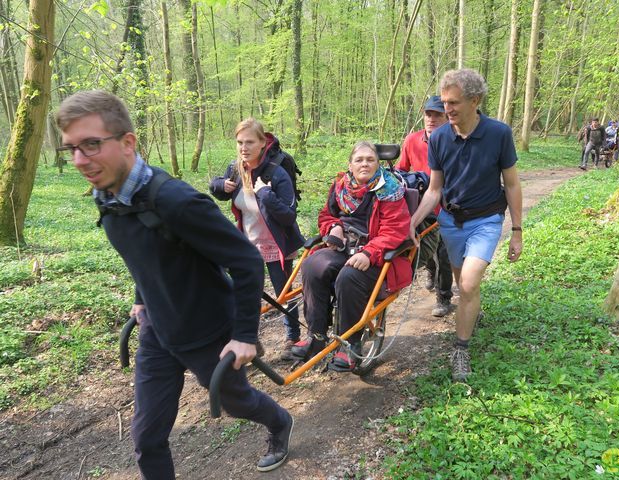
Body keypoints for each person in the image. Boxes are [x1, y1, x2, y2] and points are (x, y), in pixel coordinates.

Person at [55, 91, 293, 478]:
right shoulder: (108, 198)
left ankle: (280, 421)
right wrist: (140, 297)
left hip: (209, 335)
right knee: (147, 438)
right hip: (157, 332)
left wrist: (245, 335)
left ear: (128, 142)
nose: (81, 160)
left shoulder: (176, 201)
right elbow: (145, 254)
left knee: (238, 402)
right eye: (72, 149)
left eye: (92, 145)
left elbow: (246, 260)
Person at [409, 69, 523, 382]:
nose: (447, 109)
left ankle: (460, 348)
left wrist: (517, 231)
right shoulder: (440, 137)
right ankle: (472, 311)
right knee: (463, 284)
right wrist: (413, 222)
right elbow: (434, 190)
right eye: (445, 102)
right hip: (451, 222)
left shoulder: (499, 134)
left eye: (454, 102)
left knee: (469, 284)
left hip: (486, 219)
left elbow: (512, 184)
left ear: (475, 100)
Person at [291, 141, 412, 372]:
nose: (364, 163)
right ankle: (316, 335)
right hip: (343, 247)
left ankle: (350, 344)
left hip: (376, 254)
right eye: (359, 159)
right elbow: (326, 215)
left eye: (370, 159)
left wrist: (369, 252)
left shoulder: (390, 189)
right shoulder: (340, 186)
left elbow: (395, 230)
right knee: (312, 266)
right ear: (350, 164)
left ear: (378, 164)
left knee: (349, 276)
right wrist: (333, 228)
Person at [210, 119, 305, 361]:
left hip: (276, 244)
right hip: (247, 245)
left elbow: (288, 215)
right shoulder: (236, 169)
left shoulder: (277, 172)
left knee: (284, 293)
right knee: (244, 294)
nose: (244, 147)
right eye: (240, 142)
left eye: (250, 142)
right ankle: (251, 342)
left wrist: (264, 193)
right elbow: (220, 190)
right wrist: (220, 185)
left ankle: (292, 338)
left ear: (262, 143)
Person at [396, 95, 454, 317]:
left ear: (447, 117)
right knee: (425, 249)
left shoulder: (453, 142)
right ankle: (431, 273)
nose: (431, 119)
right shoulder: (412, 140)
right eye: (428, 114)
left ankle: (444, 297)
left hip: (446, 208)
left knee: (445, 254)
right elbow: (402, 169)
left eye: (437, 115)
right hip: (421, 209)